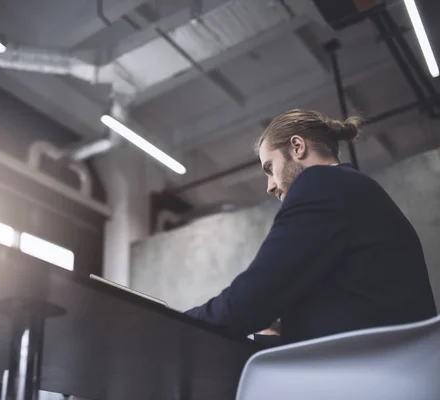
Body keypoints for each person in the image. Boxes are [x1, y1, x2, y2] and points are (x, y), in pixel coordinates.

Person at [185, 109, 437, 344]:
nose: (269, 186)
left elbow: (254, 297)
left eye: (270, 168)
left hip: (370, 369)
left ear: (297, 147)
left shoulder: (320, 184)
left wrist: (181, 323)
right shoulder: (350, 188)